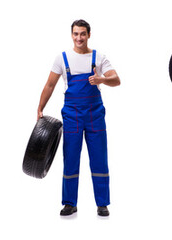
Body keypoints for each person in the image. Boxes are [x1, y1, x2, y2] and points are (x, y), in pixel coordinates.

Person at [37, 19, 120, 217]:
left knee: (99, 158)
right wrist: (40, 107)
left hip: (94, 114)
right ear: (71, 35)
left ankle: (102, 203)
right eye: (76, 34)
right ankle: (69, 203)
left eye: (83, 34)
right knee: (71, 159)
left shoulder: (99, 57)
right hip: (72, 114)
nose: (79, 38)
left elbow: (116, 79)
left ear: (89, 35)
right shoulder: (62, 58)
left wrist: (102, 79)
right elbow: (50, 85)